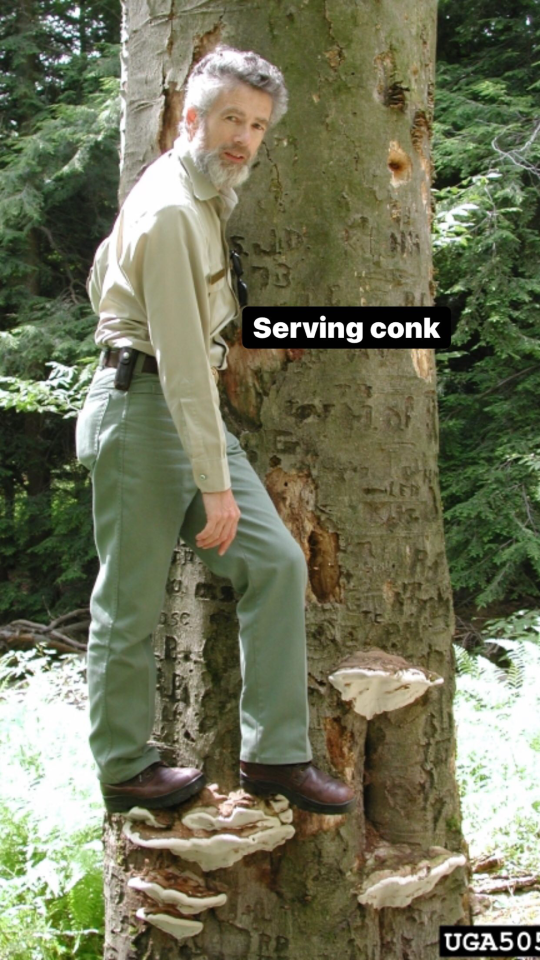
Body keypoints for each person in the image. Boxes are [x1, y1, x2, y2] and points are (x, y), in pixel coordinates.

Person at [77, 46, 355, 817]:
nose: (244, 137)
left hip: (179, 406)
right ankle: (124, 766)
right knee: (128, 606)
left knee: (276, 564)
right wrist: (213, 482)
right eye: (231, 117)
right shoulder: (170, 207)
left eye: (258, 125)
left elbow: (110, 280)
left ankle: (274, 757)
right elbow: (178, 363)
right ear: (191, 117)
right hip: (143, 414)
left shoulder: (201, 198)